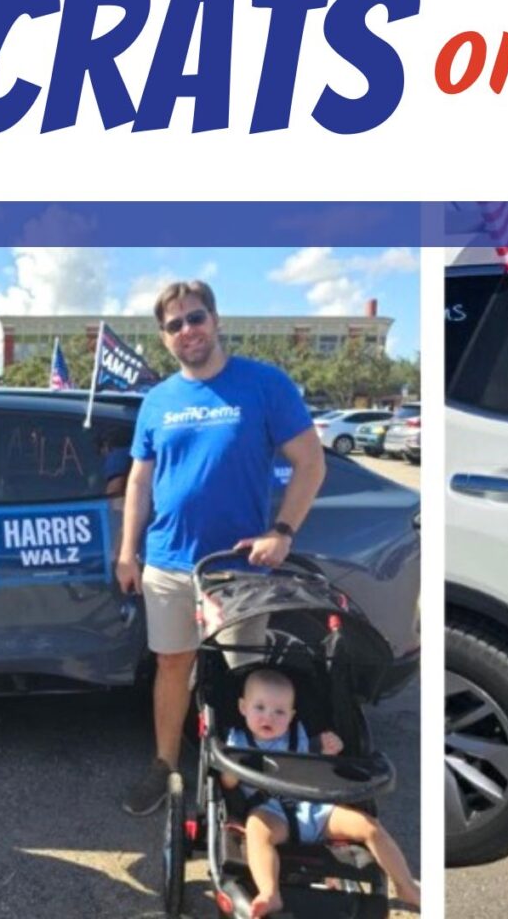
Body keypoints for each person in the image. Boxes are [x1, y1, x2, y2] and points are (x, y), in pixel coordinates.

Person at [115, 282, 327, 817]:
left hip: (239, 572)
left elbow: (310, 461)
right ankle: (164, 767)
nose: (188, 330)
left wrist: (282, 531)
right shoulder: (158, 400)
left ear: (215, 318)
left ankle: (239, 781)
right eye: (175, 324)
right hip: (167, 564)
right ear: (163, 337)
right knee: (171, 667)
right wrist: (127, 552)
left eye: (195, 317)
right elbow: (140, 482)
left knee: (242, 676)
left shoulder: (263, 384)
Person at [224, 667, 420, 915]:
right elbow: (228, 784)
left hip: (315, 806)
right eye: (259, 708)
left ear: (292, 715)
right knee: (256, 831)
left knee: (368, 826)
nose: (269, 718)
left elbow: (320, 764)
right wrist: (232, 770)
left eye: (279, 712)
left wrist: (327, 749)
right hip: (271, 811)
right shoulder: (237, 740)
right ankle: (269, 891)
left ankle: (406, 886)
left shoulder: (299, 736)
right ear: (243, 707)